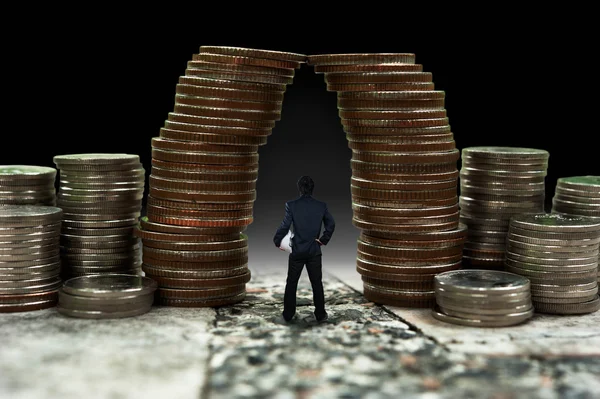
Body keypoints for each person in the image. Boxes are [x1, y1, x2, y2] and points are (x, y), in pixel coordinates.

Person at [273, 176, 336, 323]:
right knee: (317, 283)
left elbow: (285, 225)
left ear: (299, 188)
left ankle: (288, 314)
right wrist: (323, 240)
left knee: (292, 283)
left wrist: (277, 241)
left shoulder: (292, 205)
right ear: (313, 188)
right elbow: (331, 225)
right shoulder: (321, 206)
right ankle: (320, 314)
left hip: (297, 250)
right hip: (314, 250)